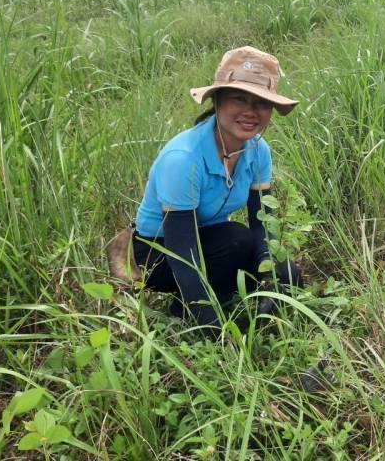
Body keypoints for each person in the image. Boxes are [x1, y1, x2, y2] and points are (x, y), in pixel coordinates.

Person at [110, 46, 303, 334]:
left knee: (285, 271)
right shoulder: (184, 158)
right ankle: (186, 309)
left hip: (209, 242)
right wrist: (211, 325)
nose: (251, 112)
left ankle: (230, 300)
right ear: (217, 101)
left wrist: (269, 275)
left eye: (261, 103)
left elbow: (263, 224)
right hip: (158, 254)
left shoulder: (258, 150)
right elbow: (182, 252)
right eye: (240, 98)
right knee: (236, 239)